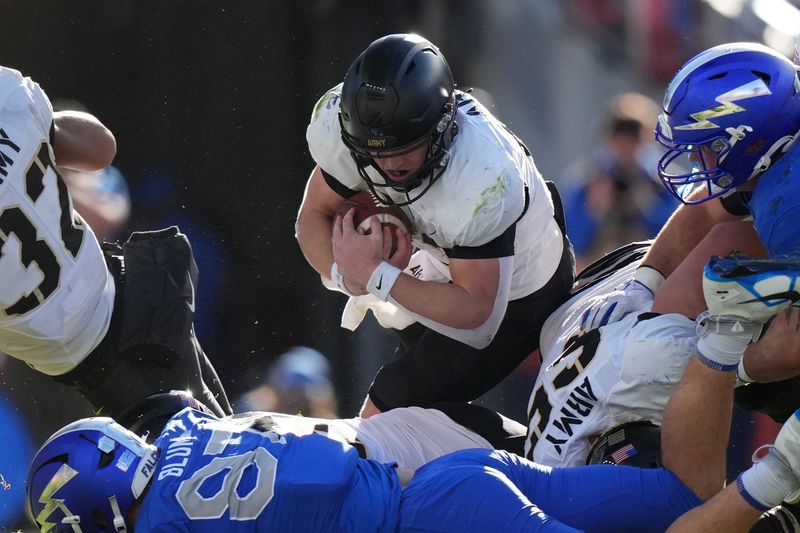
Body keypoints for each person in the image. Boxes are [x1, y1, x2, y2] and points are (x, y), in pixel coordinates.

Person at [296, 33, 575, 417]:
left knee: (387, 409)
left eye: (404, 149)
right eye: (372, 153)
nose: (389, 166)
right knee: (419, 410)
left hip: (517, 295)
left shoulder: (484, 176)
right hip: (437, 264)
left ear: (443, 125)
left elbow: (479, 318)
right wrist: (347, 275)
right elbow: (311, 217)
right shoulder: (348, 131)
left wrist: (376, 276)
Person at [578, 42, 800, 424]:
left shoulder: (787, 204)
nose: (695, 160)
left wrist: (731, 369)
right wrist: (644, 281)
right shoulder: (775, 152)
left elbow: (793, 345)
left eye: (706, 147)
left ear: (750, 141)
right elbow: (703, 209)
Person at [0, 65, 231, 418]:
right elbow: (101, 150)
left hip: (80, 369)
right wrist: (41, 127)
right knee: (223, 444)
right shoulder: (8, 101)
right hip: (137, 303)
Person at [559, 92, 678, 270]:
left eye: (633, 140)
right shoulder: (586, 182)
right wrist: (594, 208)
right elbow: (572, 244)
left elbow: (675, 236)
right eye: (619, 139)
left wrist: (645, 202)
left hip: (648, 269)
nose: (625, 148)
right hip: (599, 270)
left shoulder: (663, 183)